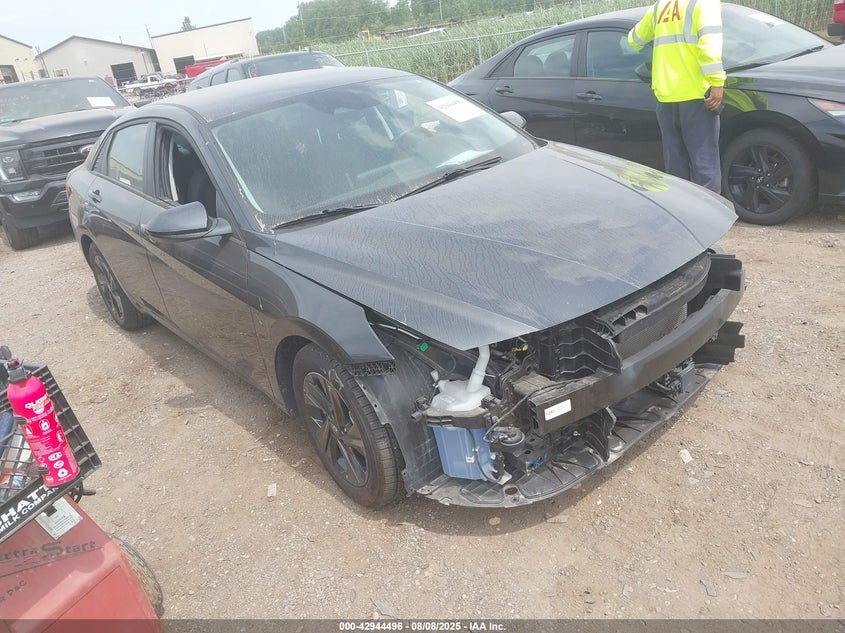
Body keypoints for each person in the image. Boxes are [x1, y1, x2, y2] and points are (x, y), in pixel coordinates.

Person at [628, 0, 726, 193]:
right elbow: (709, 46)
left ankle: (681, 209)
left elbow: (635, 40)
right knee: (705, 166)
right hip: (695, 96)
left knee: (675, 166)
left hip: (666, 97)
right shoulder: (703, 3)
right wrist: (717, 81)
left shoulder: (660, 6)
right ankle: (708, 211)